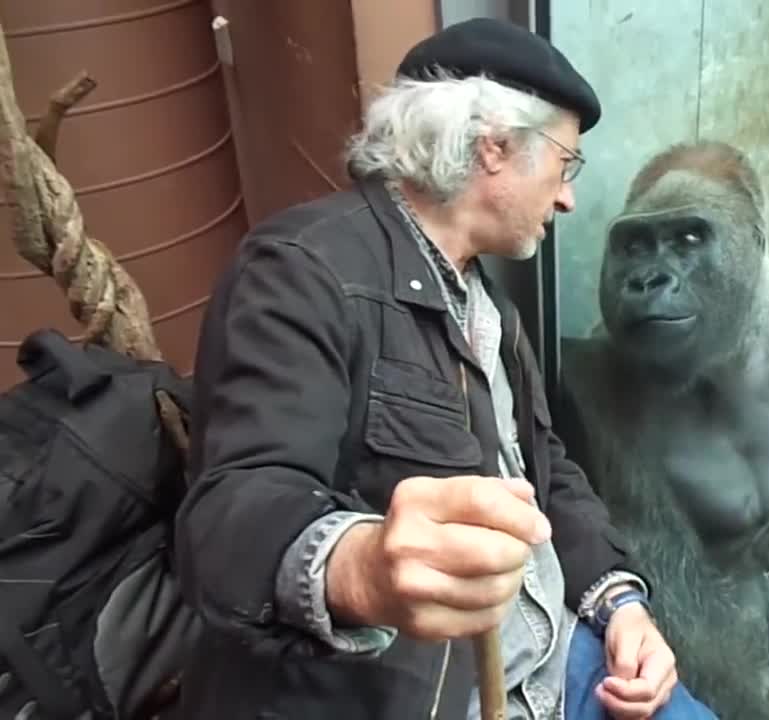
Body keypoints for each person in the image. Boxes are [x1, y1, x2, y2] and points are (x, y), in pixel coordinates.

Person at [172, 17, 719, 720]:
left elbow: (544, 472)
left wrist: (619, 604)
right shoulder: (302, 271)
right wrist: (362, 568)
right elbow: (229, 514)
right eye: (565, 164)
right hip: (433, 695)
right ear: (494, 148)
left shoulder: (491, 310)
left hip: (559, 657)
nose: (567, 198)